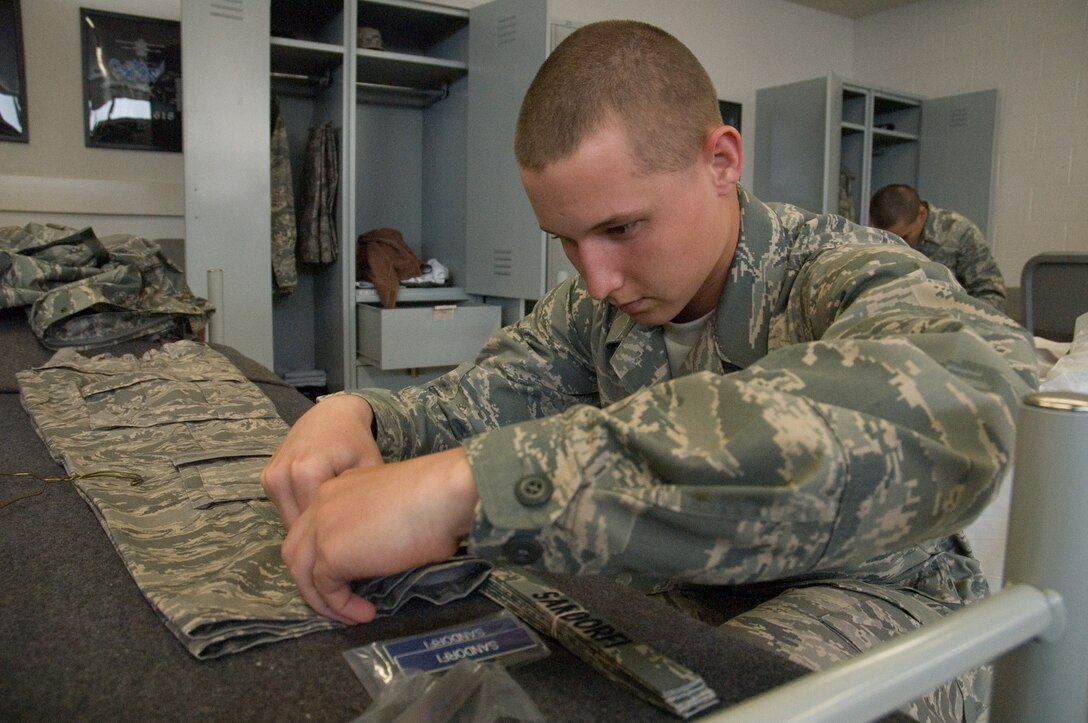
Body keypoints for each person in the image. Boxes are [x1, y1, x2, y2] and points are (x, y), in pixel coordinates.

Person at [262, 20, 1035, 722]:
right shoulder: (597, 307)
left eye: (621, 227)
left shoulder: (840, 270)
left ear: (721, 161)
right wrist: (360, 416)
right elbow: (488, 393)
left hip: (863, 594)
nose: (596, 278)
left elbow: (953, 410)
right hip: (670, 596)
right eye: (566, 240)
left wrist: (477, 487)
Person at [869, 183, 1007, 311]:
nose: (896, 245)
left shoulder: (958, 232)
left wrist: (963, 322)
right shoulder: (869, 239)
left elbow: (991, 293)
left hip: (953, 322)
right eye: (887, 239)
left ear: (921, 214)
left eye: (904, 237)